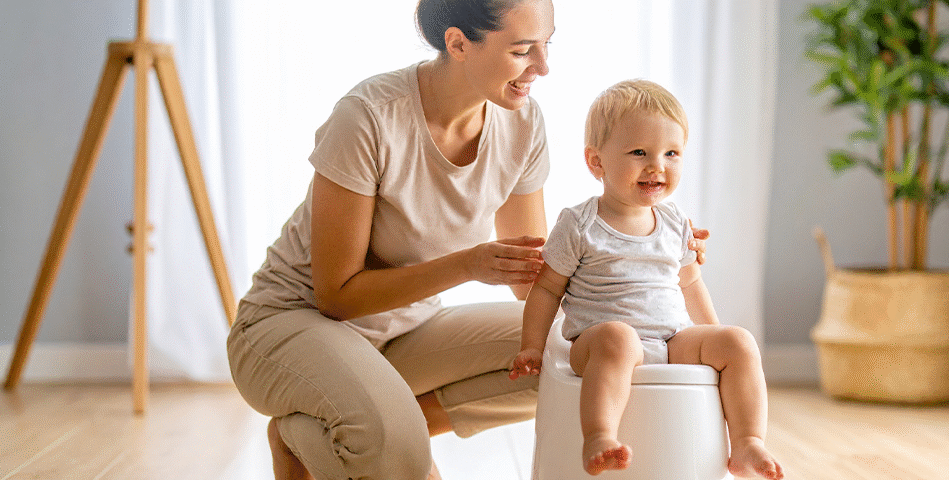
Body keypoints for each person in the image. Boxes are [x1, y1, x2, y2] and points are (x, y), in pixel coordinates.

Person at [226, 2, 707, 479]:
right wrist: (467, 265)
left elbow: (534, 281)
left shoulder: (522, 123)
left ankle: (367, 426)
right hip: (291, 322)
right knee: (395, 448)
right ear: (458, 44)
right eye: (522, 50)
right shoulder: (369, 117)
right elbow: (336, 296)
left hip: (405, 331)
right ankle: (354, 433)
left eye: (547, 45)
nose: (542, 67)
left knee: (570, 353)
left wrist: (650, 250)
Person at [509, 80, 784, 479]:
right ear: (596, 162)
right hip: (599, 343)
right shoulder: (580, 224)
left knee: (739, 342)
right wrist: (532, 346)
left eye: (671, 153)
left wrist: (713, 334)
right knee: (619, 337)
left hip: (670, 339)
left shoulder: (674, 222)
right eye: (639, 152)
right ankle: (599, 436)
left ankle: (746, 442)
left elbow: (691, 284)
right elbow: (548, 288)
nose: (657, 166)